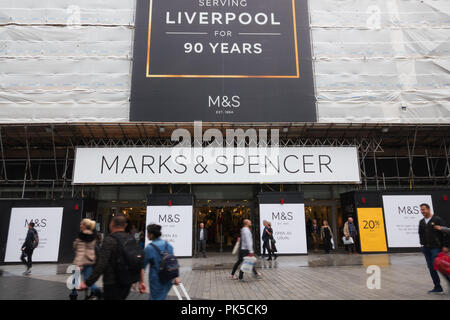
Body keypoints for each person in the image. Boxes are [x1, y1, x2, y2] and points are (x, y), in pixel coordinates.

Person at [80, 215, 134, 300]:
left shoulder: (109, 240)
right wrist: (138, 280)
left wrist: (88, 282)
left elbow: (102, 264)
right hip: (126, 282)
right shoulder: (130, 238)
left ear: (112, 224)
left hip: (112, 282)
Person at [139, 224, 180, 300]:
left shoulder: (149, 248)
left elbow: (142, 267)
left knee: (155, 298)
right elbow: (173, 262)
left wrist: (141, 282)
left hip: (156, 280)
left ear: (151, 234)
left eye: (147, 233)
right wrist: (176, 277)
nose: (147, 235)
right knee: (162, 297)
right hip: (168, 278)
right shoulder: (168, 245)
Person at [418, 203, 449, 294]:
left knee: (440, 266)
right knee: (431, 268)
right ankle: (437, 287)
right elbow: (420, 234)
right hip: (426, 248)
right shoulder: (421, 222)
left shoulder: (437, 219)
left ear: (428, 209)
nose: (422, 211)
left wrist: (446, 246)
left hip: (436, 248)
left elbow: (445, 233)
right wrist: (422, 245)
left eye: (423, 209)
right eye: (421, 210)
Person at [73, 219, 101, 299]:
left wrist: (79, 264)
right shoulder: (93, 235)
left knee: (75, 279)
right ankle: (93, 293)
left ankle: (97, 292)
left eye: (81, 224)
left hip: (81, 261)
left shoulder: (83, 236)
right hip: (90, 261)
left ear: (85, 225)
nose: (80, 225)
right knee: (88, 280)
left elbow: (81, 251)